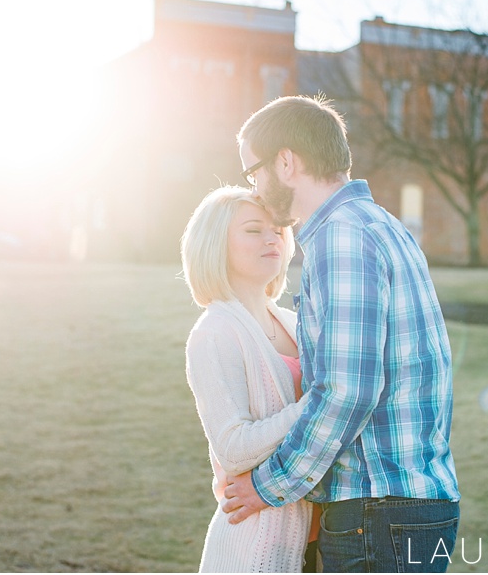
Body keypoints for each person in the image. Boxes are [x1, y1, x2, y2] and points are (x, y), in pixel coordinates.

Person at [223, 95, 461, 572]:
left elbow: (349, 391)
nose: (254, 187)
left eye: (254, 173)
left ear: (286, 162)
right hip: (405, 506)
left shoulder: (342, 237)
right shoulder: (380, 224)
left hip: (377, 512)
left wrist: (268, 485)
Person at [181, 185, 319, 572]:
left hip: (328, 538)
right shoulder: (214, 333)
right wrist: (319, 403)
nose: (272, 237)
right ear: (215, 244)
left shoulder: (294, 323)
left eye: (277, 228)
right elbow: (234, 449)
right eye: (253, 230)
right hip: (259, 542)